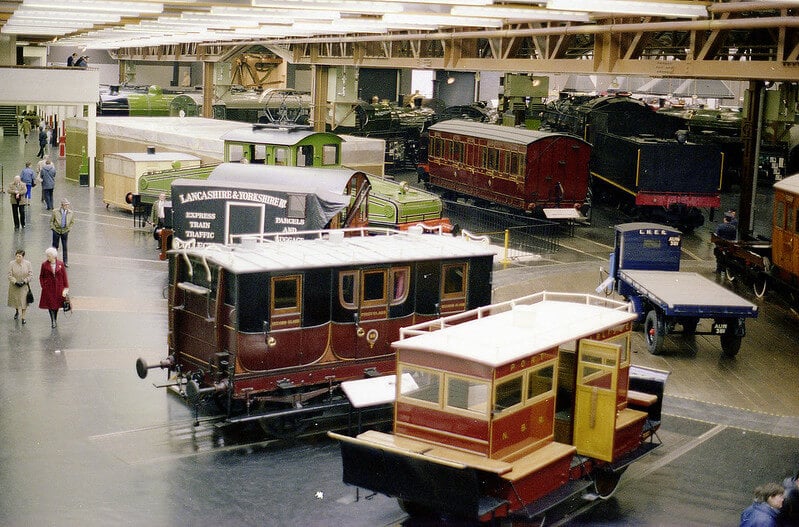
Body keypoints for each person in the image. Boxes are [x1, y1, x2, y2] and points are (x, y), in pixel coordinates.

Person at [39, 247, 69, 329]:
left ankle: (55, 318)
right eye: (47, 255)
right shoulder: (44, 264)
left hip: (59, 287)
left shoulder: (60, 264)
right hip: (48, 288)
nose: (48, 257)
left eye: (49, 256)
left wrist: (66, 288)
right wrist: (43, 285)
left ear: (54, 256)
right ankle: (53, 320)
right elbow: (41, 276)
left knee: (56, 305)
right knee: (50, 304)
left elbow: (64, 277)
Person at [7, 249, 33, 324]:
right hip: (14, 286)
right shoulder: (11, 263)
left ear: (23, 257)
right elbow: (9, 275)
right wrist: (15, 282)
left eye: (20, 256)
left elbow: (30, 275)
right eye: (17, 256)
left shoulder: (28, 264)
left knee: (24, 302)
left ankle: (23, 317)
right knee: (16, 301)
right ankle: (17, 311)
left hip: (24, 287)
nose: (18, 258)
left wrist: (24, 281)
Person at [51, 198, 74, 267]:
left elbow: (72, 222)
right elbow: (52, 221)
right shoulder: (55, 211)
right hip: (56, 230)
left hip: (65, 231)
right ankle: (54, 260)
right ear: (62, 205)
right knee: (55, 246)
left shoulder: (71, 213)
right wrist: (53, 228)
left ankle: (65, 262)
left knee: (65, 246)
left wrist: (68, 229)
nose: (67, 206)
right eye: (65, 205)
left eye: (68, 205)